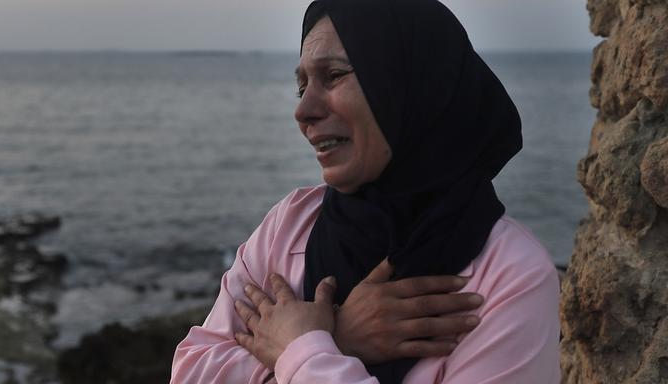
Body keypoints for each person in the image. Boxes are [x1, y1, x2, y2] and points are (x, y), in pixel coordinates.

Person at [170, 0, 561, 383]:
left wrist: (304, 351)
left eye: (333, 75)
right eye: (301, 86)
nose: (303, 110)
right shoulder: (289, 224)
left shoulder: (512, 277)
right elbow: (190, 372)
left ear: (415, 83)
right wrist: (338, 338)